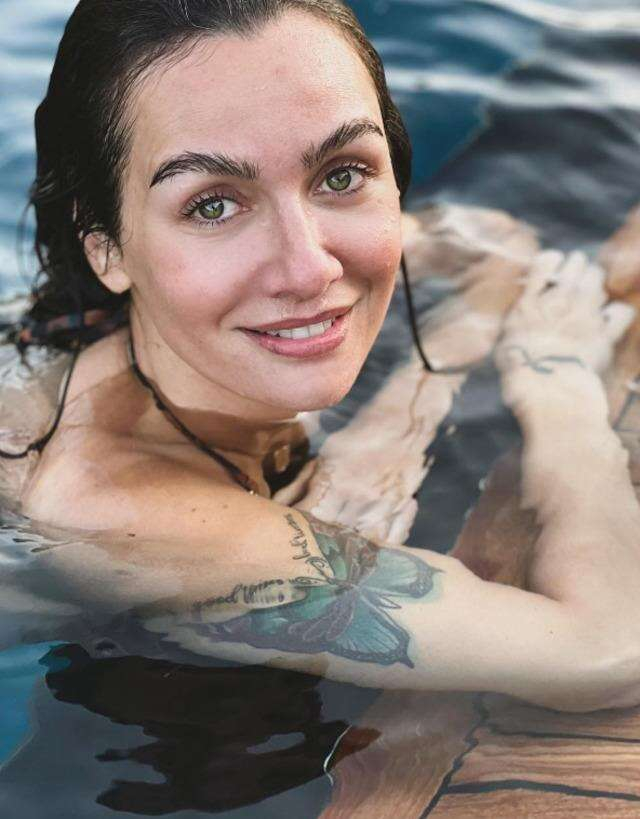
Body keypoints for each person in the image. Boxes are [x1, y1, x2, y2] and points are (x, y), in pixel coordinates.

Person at [2, 0, 640, 714]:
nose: (309, 268)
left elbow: (483, 239)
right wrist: (559, 392)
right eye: (213, 206)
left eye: (340, 174)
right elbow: (608, 654)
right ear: (107, 249)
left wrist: (406, 410)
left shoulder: (133, 342)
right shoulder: (120, 512)